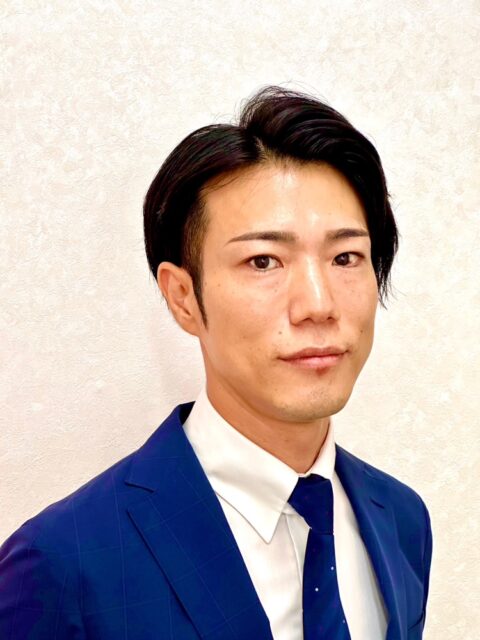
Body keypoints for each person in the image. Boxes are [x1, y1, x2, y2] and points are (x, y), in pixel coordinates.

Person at [0, 86, 432, 640]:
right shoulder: (64, 563)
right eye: (263, 261)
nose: (318, 304)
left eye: (345, 257)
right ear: (183, 297)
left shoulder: (402, 521)